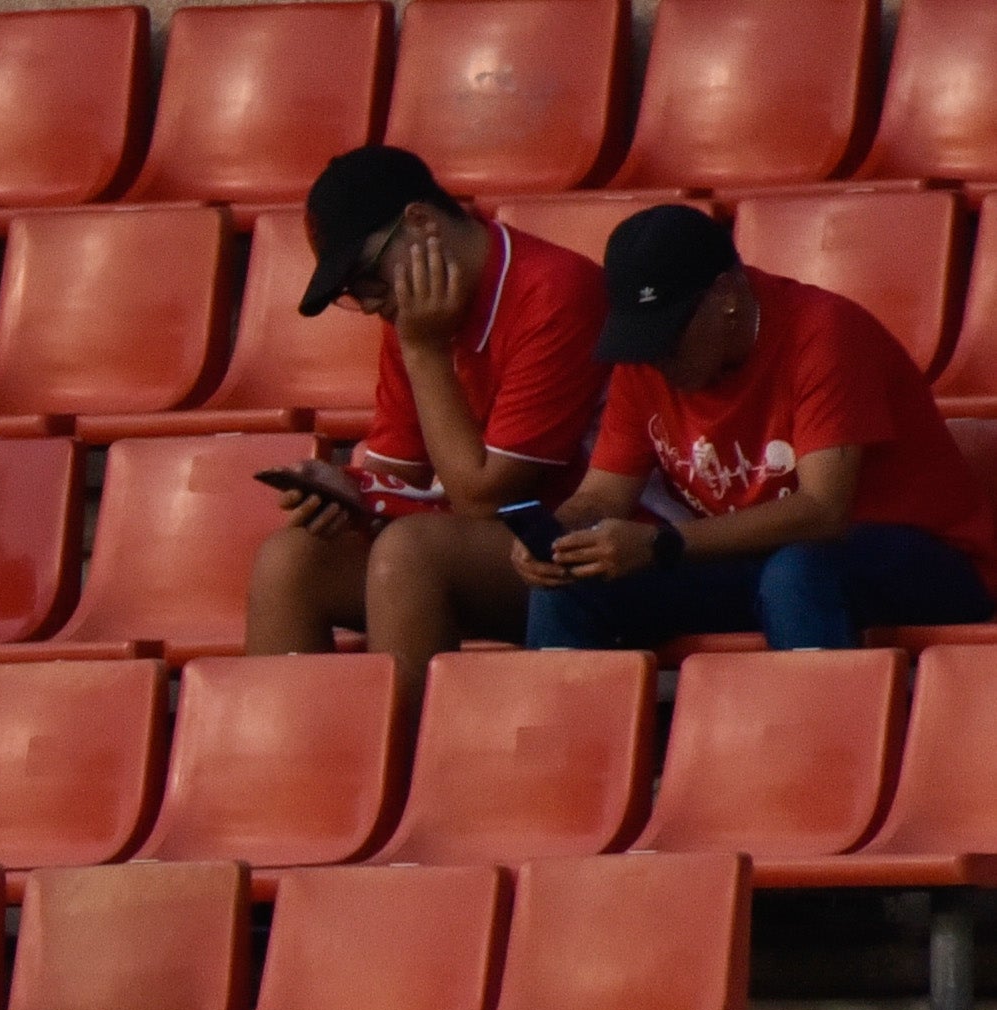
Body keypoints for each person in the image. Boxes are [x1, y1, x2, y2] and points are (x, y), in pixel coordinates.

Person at [520, 204, 997, 652]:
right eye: (642, 340)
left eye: (669, 336)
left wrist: (665, 544)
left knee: (797, 572)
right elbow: (603, 495)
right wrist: (558, 535)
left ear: (726, 296)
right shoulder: (647, 365)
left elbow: (822, 511)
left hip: (922, 561)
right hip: (758, 562)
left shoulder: (825, 334)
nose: (656, 358)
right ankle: (568, 741)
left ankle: (818, 741)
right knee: (573, 586)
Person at [246, 146, 610, 701]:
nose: (369, 305)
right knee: (292, 559)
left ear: (420, 222)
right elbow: (398, 471)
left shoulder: (554, 289)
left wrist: (425, 353)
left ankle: (406, 774)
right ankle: (288, 775)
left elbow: (484, 500)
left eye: (367, 276)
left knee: (412, 551)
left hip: (588, 548)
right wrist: (348, 490)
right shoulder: (412, 321)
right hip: (495, 556)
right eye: (354, 292)